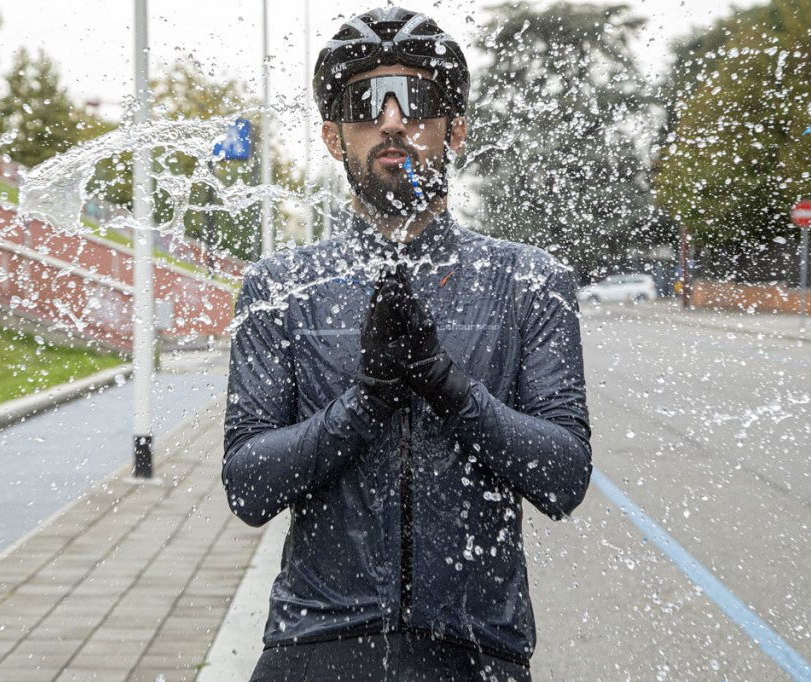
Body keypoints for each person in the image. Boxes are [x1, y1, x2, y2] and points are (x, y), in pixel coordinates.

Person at [223, 7, 592, 681]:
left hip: (476, 650)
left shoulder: (529, 281)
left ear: (456, 129)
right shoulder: (280, 288)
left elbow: (564, 477)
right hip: (315, 645)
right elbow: (247, 485)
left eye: (416, 100)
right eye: (365, 104)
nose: (392, 121)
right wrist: (363, 406)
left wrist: (447, 387)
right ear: (335, 138)